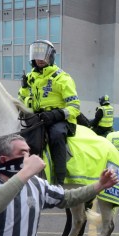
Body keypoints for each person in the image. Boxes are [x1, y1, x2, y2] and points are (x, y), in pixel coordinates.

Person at [18, 40, 81, 184]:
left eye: (43, 56)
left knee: (56, 135)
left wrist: (56, 114)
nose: (39, 59)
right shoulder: (30, 78)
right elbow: (21, 100)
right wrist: (24, 88)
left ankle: (59, 180)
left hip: (60, 120)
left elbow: (75, 107)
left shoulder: (63, 78)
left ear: (50, 57)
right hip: (38, 117)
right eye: (36, 56)